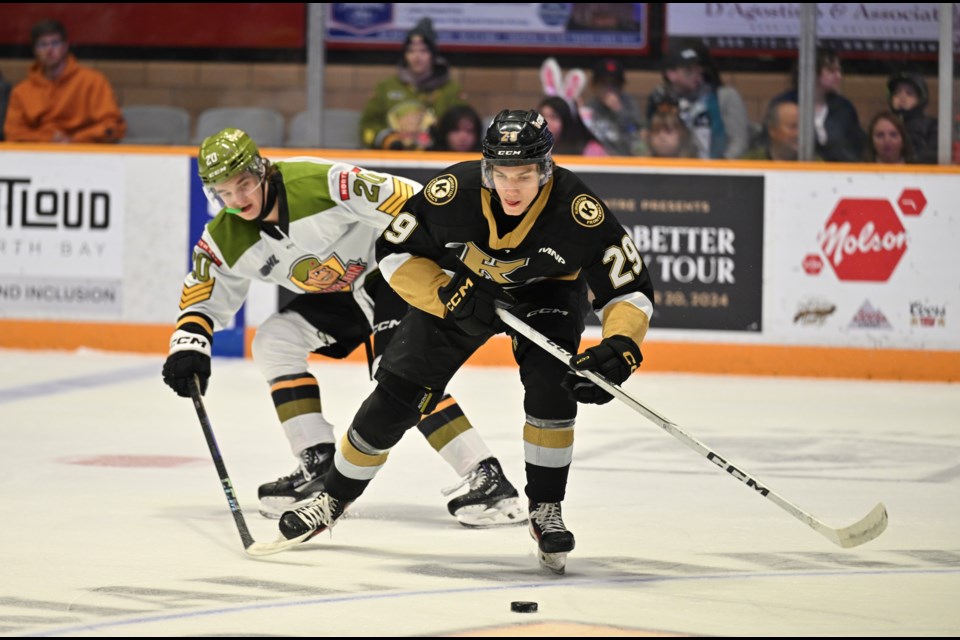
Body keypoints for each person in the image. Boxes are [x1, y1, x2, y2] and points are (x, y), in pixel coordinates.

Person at [276, 110, 655, 574]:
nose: (511, 187)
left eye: (524, 174)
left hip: (547, 294)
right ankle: (333, 499)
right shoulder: (452, 193)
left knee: (553, 390)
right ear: (486, 168)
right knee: (395, 396)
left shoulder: (578, 210)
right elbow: (393, 252)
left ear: (546, 169)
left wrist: (620, 347)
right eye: (500, 173)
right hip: (463, 291)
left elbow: (629, 289)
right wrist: (442, 293)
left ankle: (545, 509)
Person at [161, 128, 525, 528]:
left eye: (244, 185)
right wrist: (189, 344)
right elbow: (204, 287)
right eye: (224, 194)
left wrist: (463, 254)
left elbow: (404, 196)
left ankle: (487, 478)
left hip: (390, 274)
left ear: (261, 169)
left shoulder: (319, 182)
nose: (238, 200)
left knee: (399, 373)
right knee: (274, 340)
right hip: (340, 294)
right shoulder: (226, 235)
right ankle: (318, 464)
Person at [3, 19, 125, 143]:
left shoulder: (93, 81)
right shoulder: (21, 91)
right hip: (38, 155)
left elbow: (112, 126)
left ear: (65, 46)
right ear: (35, 51)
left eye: (55, 43)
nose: (49, 50)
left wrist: (74, 140)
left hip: (84, 153)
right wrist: (49, 140)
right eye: (42, 45)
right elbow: (13, 133)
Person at [359, 18, 466, 151]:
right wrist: (388, 139)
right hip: (392, 157)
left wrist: (436, 138)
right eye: (411, 51)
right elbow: (368, 125)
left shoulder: (451, 89)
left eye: (423, 51)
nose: (417, 57)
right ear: (405, 55)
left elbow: (463, 127)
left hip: (437, 157)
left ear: (433, 55)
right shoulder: (386, 88)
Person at [767, 47, 865, 163]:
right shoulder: (784, 104)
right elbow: (768, 145)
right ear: (812, 72)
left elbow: (855, 149)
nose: (839, 76)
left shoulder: (844, 108)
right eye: (831, 71)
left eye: (839, 71)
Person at [646, 43, 727, 159]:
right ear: (671, 74)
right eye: (688, 70)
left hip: (706, 166)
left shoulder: (710, 98)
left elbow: (719, 135)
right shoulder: (658, 98)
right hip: (670, 164)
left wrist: (719, 165)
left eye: (698, 70)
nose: (696, 75)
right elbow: (651, 131)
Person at [581, 58, 644, 156]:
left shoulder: (628, 104)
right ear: (594, 85)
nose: (610, 89)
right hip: (598, 164)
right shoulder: (588, 109)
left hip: (625, 159)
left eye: (614, 84)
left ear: (622, 86)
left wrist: (619, 111)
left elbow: (636, 137)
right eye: (604, 84)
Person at [886, 71, 938, 164]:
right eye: (897, 93)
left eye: (909, 93)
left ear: (921, 99)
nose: (902, 97)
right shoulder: (883, 125)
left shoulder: (932, 126)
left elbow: (932, 154)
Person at [537, 96, 607, 156]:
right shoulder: (534, 149)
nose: (545, 123)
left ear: (566, 121)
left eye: (553, 117)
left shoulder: (590, 149)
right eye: (542, 116)